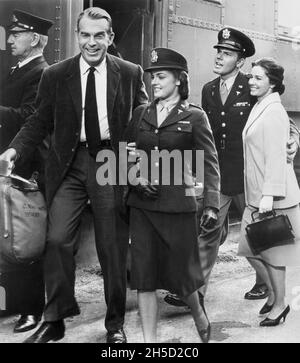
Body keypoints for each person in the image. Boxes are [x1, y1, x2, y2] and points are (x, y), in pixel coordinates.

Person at [0, 7, 148, 343]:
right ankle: (56, 319)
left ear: (109, 38)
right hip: (68, 164)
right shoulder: (57, 74)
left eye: (99, 35)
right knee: (56, 241)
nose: (91, 42)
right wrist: (15, 148)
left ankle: (115, 326)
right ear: (77, 35)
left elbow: (143, 117)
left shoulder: (130, 72)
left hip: (110, 161)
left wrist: (139, 152)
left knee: (111, 247)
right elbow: (37, 120)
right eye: (85, 35)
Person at [164, 27, 299, 308]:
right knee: (209, 228)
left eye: (226, 54)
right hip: (220, 175)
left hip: (250, 177)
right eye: (218, 52)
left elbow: (283, 121)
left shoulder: (252, 85)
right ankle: (195, 290)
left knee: (260, 234)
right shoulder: (209, 89)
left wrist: (294, 140)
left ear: (239, 62)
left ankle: (267, 284)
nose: (219, 57)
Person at [125, 47, 220, 343]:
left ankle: (198, 314)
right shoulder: (141, 113)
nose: (153, 82)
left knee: (183, 277)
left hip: (179, 208)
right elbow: (124, 154)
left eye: (160, 76)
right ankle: (149, 343)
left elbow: (209, 162)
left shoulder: (194, 116)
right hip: (143, 207)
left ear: (179, 79)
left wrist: (211, 205)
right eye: (152, 77)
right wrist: (135, 176)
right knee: (144, 278)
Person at [0, 10, 53, 333]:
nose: (8, 40)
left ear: (34, 39)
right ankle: (13, 303)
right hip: (10, 162)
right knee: (6, 236)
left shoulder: (41, 73)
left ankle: (32, 309)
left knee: (25, 239)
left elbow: (30, 117)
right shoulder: (17, 69)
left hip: (28, 166)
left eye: (15, 35)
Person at [238, 57, 300, 326]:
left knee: (273, 255)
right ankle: (276, 296)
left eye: (259, 78)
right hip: (257, 194)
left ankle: (280, 304)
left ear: (272, 83)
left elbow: (276, 155)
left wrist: (268, 196)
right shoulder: (261, 105)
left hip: (271, 197)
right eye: (251, 77)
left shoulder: (273, 111)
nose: (252, 81)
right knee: (250, 249)